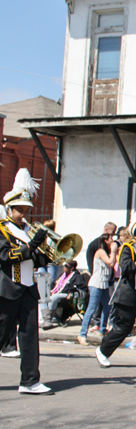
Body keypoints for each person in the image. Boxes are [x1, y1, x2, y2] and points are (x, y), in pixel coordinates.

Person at [0, 168, 52, 394]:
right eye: (20, 210)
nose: (24, 214)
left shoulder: (29, 231)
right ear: (9, 209)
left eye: (26, 210)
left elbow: (37, 259)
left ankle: (30, 381)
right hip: (7, 290)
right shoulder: (2, 230)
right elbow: (6, 257)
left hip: (29, 290)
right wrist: (32, 245)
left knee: (30, 337)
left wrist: (47, 252)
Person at [95, 209, 136, 369]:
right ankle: (103, 351)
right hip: (128, 294)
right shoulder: (128, 247)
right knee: (123, 327)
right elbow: (126, 268)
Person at [77, 232, 118, 345]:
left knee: (107, 306)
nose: (113, 241)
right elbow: (110, 262)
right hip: (96, 283)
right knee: (92, 308)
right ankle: (82, 334)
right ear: (106, 241)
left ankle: (103, 329)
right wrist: (114, 251)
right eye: (111, 239)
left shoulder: (107, 252)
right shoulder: (100, 252)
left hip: (104, 283)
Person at [48, 259, 88, 326]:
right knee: (46, 295)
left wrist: (72, 292)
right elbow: (55, 284)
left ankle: (48, 317)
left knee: (54, 297)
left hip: (68, 295)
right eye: (64, 266)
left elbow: (81, 287)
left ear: (72, 268)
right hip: (59, 292)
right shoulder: (62, 275)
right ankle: (52, 316)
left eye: (66, 266)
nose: (64, 267)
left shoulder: (77, 276)